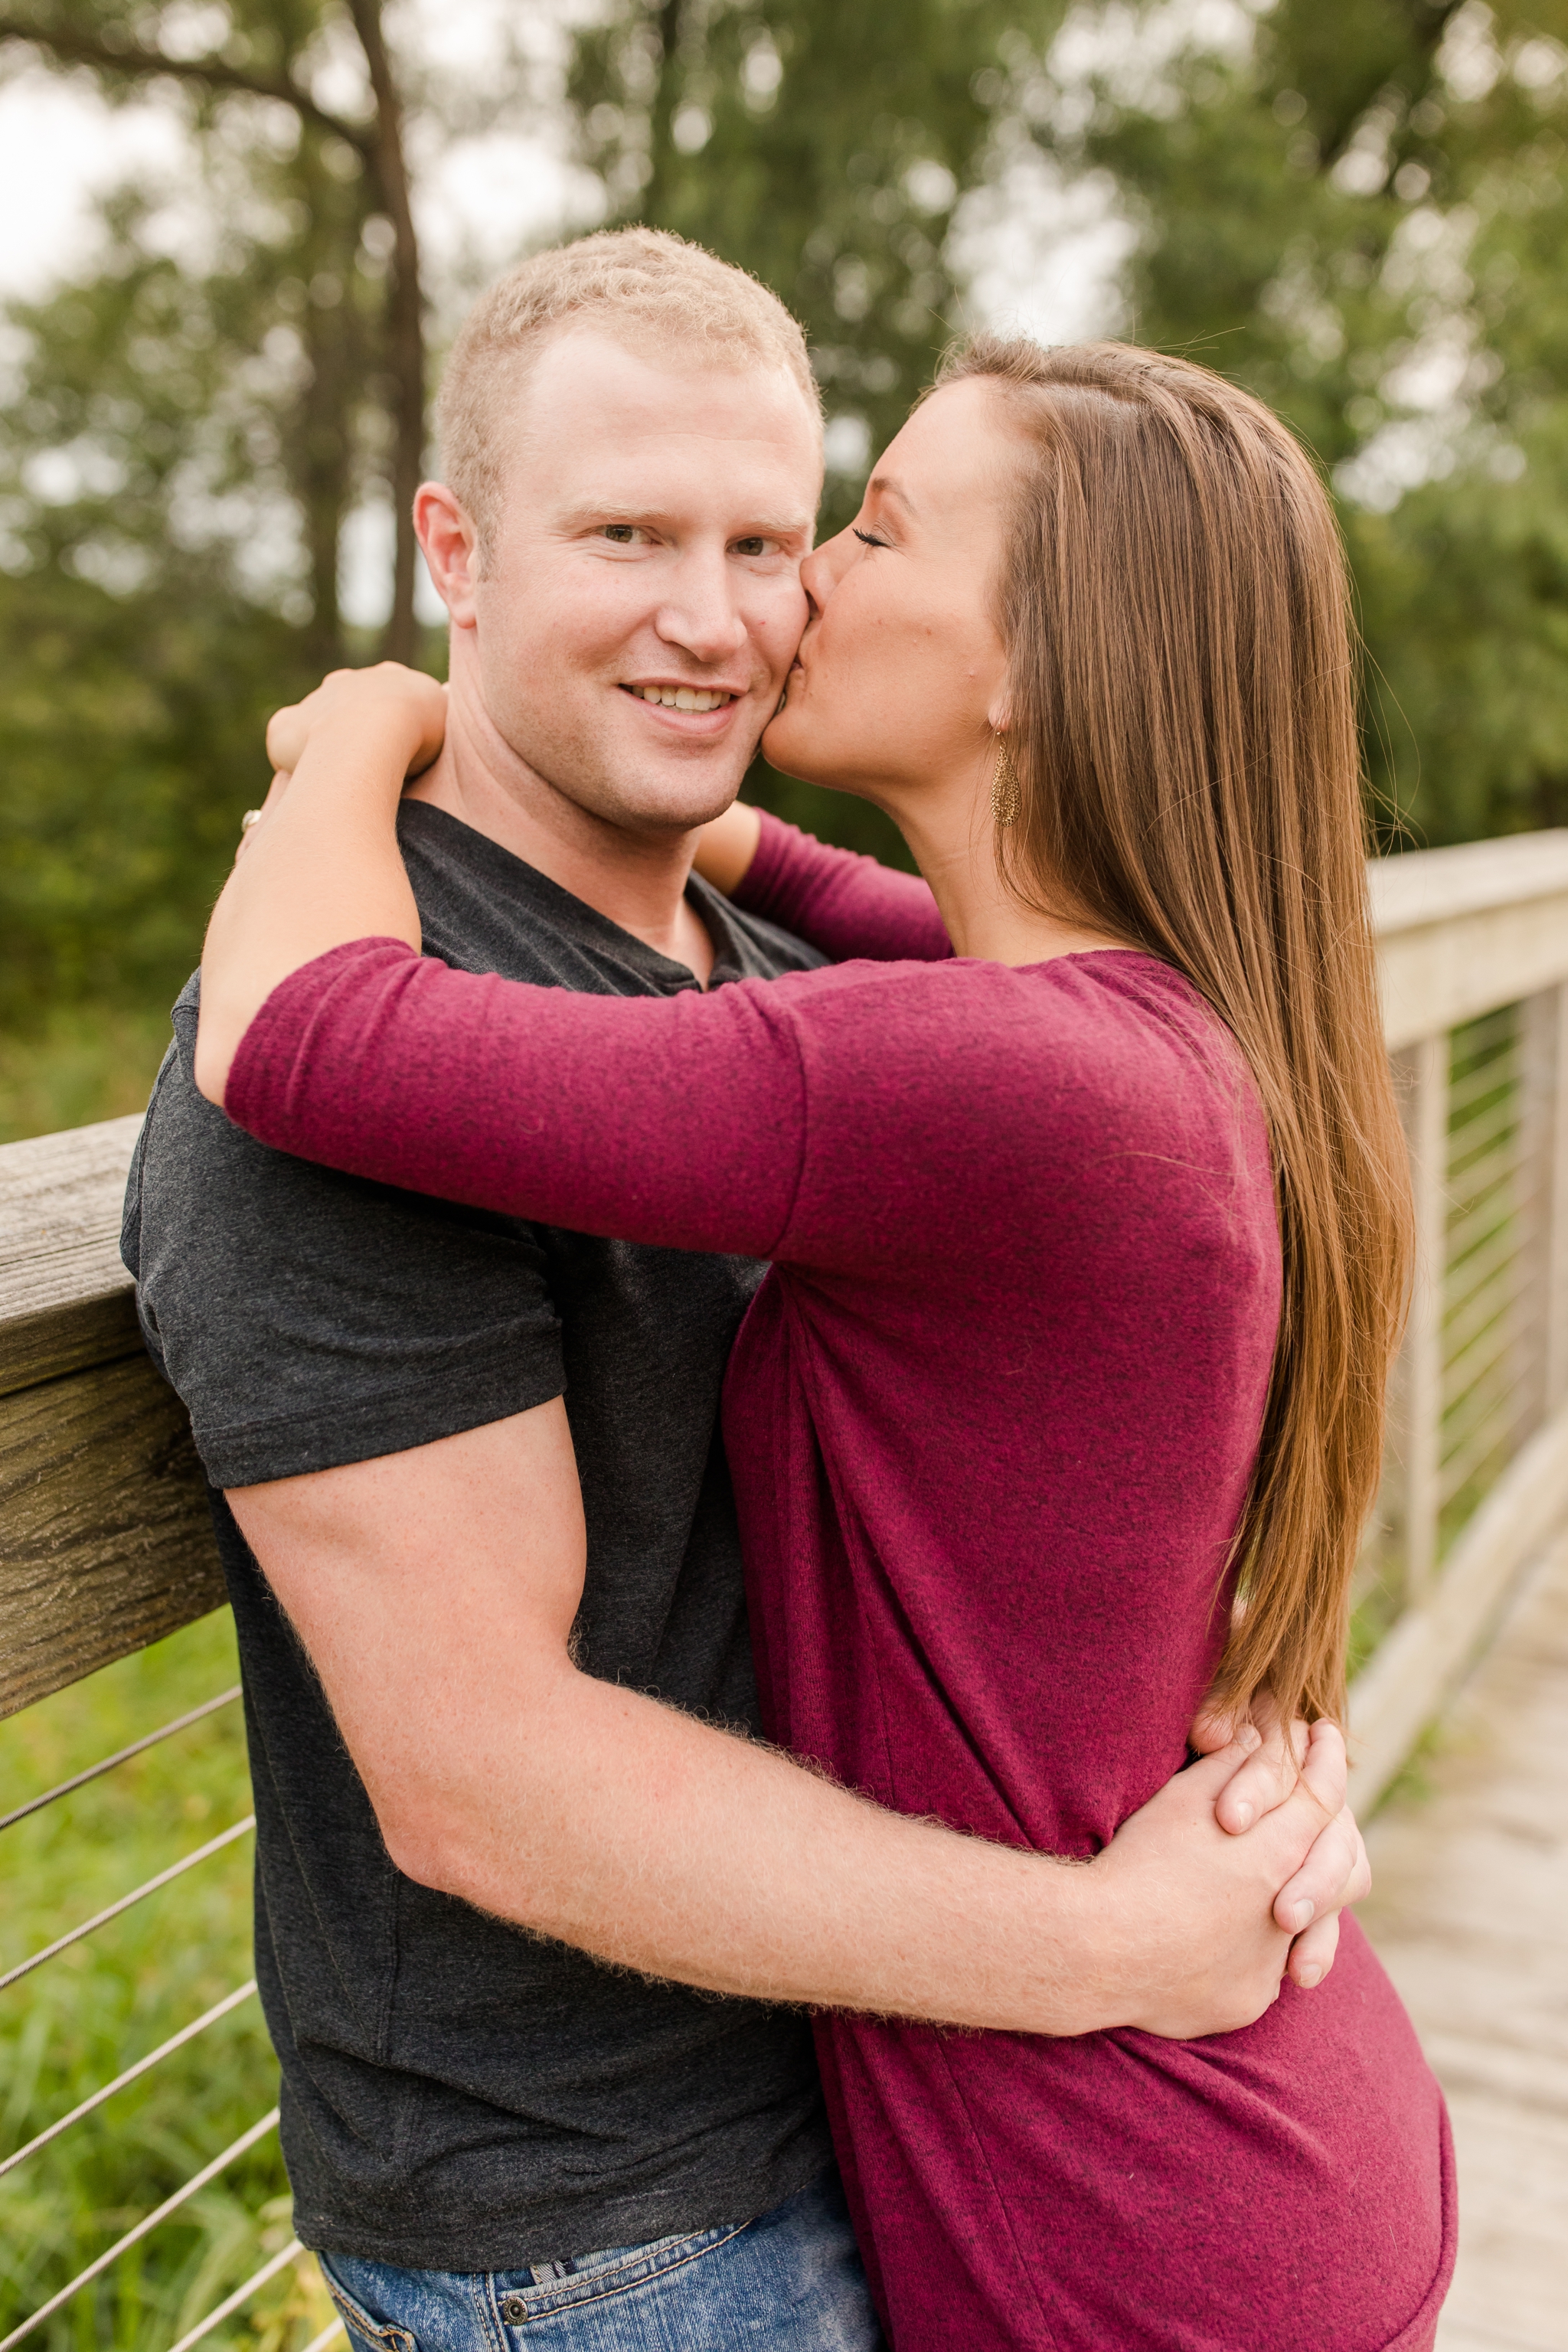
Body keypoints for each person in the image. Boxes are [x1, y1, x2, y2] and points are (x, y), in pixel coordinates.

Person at [129, 230, 1368, 2352]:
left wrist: (350, 733)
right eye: (625, 533)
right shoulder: (416, 1073)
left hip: (978, 2117)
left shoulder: (909, 1032)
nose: (725, 617)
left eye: (793, 539)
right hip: (628, 2226)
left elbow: (374, 1002)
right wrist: (1104, 1940)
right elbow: (485, 1778)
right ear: (457, 545)